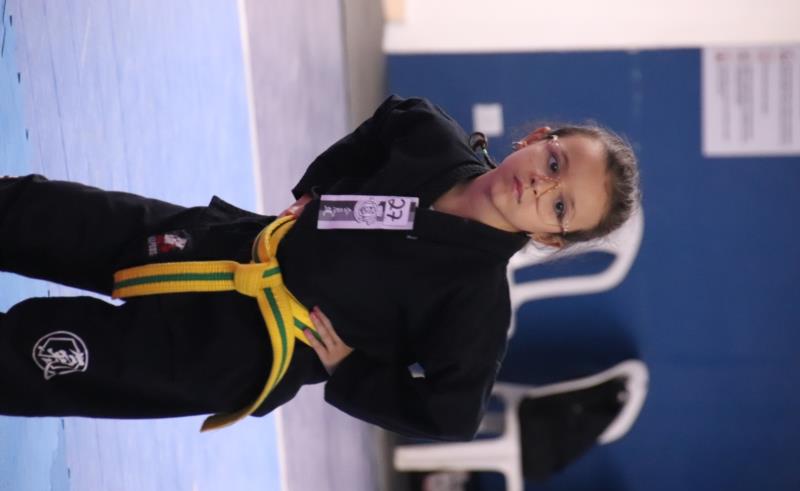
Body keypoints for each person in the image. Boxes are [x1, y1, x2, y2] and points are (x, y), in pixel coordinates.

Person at [0, 95, 639, 441]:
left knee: (33, 360)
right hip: (226, 245)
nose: (540, 186)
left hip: (230, 352)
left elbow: (453, 415)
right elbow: (391, 117)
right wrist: (316, 189)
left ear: (551, 237)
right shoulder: (432, 140)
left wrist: (352, 370)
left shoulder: (475, 304)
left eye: (560, 206)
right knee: (37, 214)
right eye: (554, 163)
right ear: (538, 138)